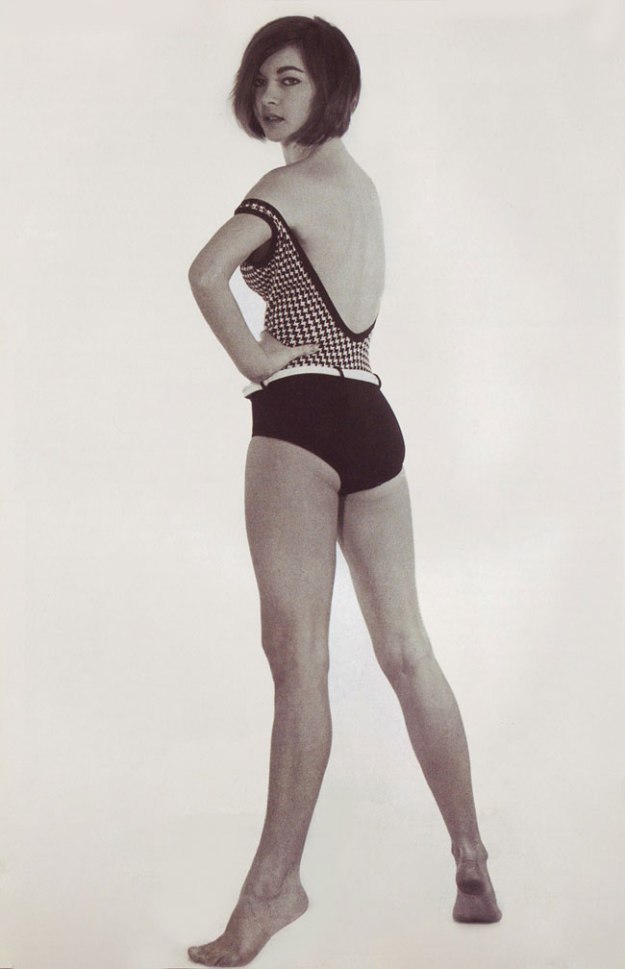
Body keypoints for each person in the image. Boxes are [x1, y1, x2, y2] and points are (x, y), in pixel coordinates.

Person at [186, 15, 502, 967]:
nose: (268, 96)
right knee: (407, 650)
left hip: (300, 421)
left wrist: (252, 358)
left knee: (299, 661)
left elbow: (204, 273)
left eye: (289, 79)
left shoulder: (284, 188)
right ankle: (471, 855)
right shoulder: (360, 190)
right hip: (372, 418)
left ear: (331, 88)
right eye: (260, 81)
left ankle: (273, 889)